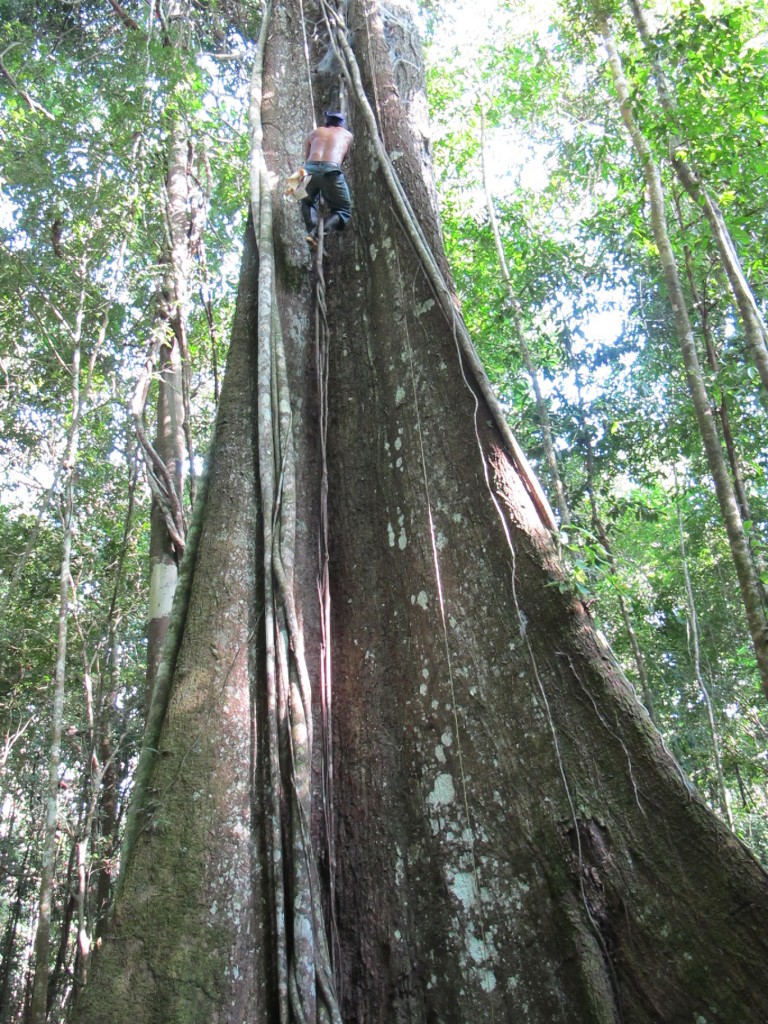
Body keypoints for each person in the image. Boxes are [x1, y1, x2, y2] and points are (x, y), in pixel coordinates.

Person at [301, 112, 353, 246]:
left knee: (306, 201)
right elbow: (343, 157)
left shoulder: (314, 133)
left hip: (309, 169)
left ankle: (311, 231)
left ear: (326, 122)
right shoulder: (347, 135)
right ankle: (317, 234)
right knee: (343, 210)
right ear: (341, 124)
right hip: (331, 170)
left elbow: (307, 157)